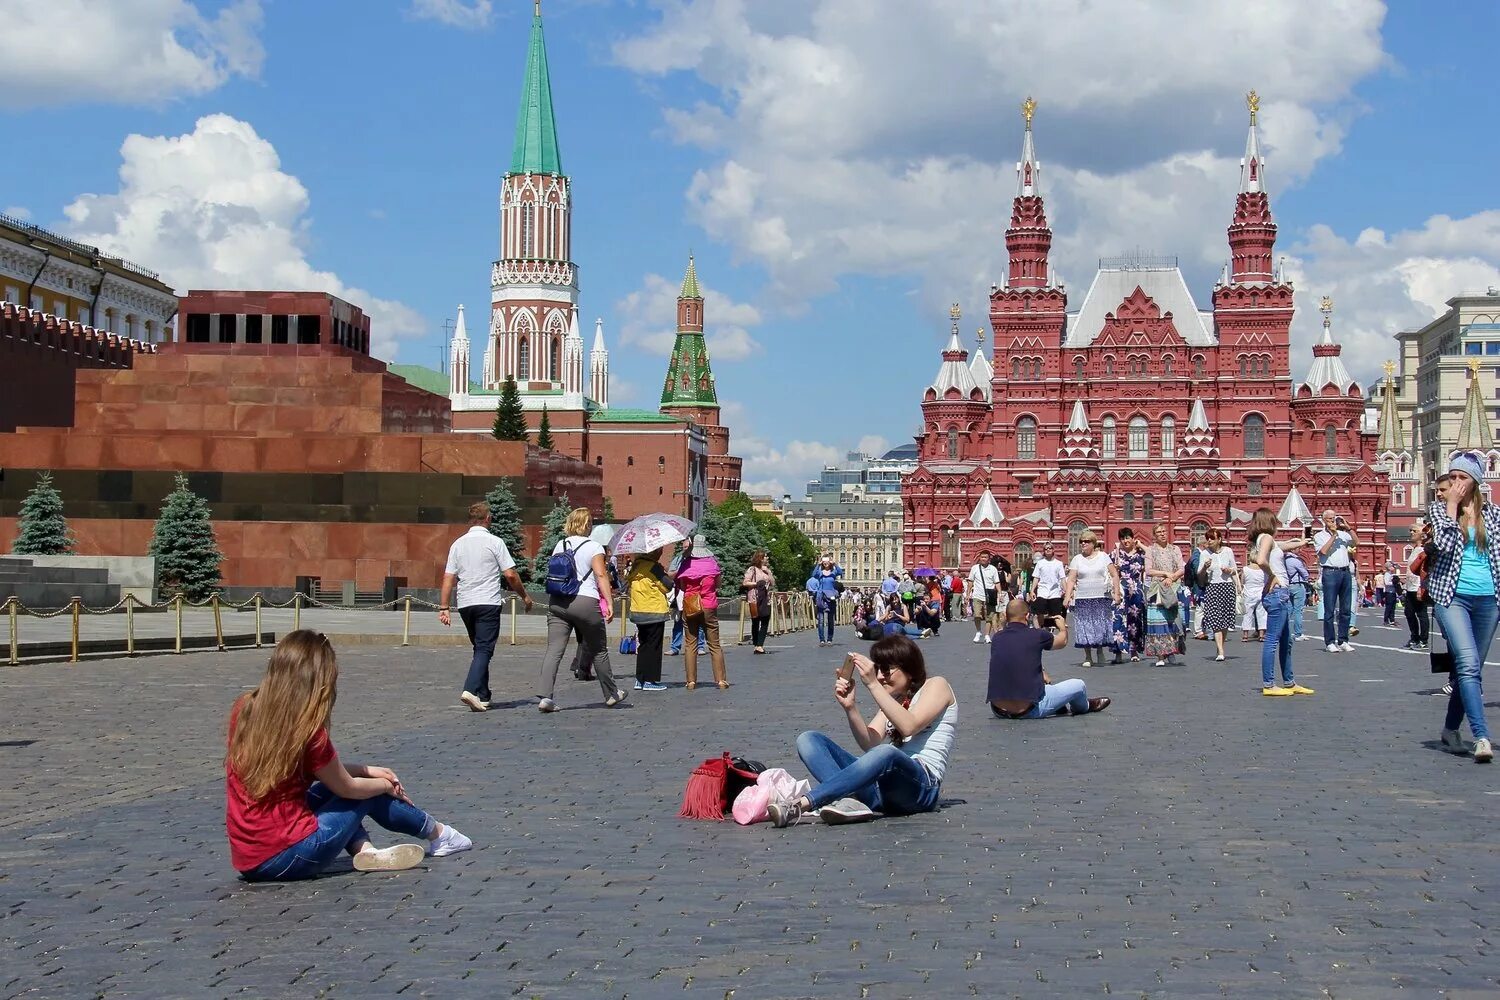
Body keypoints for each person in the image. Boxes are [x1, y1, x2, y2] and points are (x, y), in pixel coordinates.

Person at [226, 631, 472, 881]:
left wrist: (368, 770)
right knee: (365, 795)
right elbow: (348, 789)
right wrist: (384, 785)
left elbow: (319, 771)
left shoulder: (244, 708)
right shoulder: (308, 730)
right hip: (291, 855)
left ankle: (366, 852)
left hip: (249, 860)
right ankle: (439, 835)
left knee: (330, 790)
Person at [769, 635, 955, 828]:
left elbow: (909, 725)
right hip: (882, 788)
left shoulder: (936, 685)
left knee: (887, 752)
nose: (881, 676)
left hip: (921, 787)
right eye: (877, 669)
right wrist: (851, 708)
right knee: (808, 740)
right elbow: (870, 743)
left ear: (908, 667)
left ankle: (801, 804)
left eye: (886, 669)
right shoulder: (896, 699)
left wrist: (873, 684)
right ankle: (849, 802)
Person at [1428, 453, 1500, 763]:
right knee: (1469, 665)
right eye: (1452, 477)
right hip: (1452, 596)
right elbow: (1442, 545)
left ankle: (1449, 730)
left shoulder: (1494, 515)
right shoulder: (1440, 510)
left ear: (1476, 483)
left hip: (1488, 599)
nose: (1456, 483)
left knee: (1467, 671)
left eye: (1463, 478)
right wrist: (1452, 507)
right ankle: (1482, 736)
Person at [435, 502, 534, 713]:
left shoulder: (457, 544)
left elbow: (448, 577)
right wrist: (525, 596)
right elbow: (510, 574)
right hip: (488, 602)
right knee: (484, 648)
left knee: (480, 647)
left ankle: (484, 694)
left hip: (465, 604)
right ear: (488, 518)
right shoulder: (495, 542)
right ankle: (470, 689)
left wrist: (444, 607)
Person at [537, 507, 628, 712]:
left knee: (554, 649)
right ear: (587, 525)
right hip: (585, 601)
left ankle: (545, 697)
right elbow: (601, 575)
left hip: (558, 601)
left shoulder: (560, 545)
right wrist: (609, 602)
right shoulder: (594, 546)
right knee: (598, 649)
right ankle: (612, 694)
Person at [988, 598, 1111, 719]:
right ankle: (1083, 707)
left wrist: (1041, 671)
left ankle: (1057, 704)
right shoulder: (1037, 635)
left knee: (1044, 686)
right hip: (1028, 710)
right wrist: (1062, 628)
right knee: (1079, 685)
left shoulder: (997, 638)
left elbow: (1015, 658)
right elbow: (1062, 641)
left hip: (999, 710)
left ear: (1006, 615)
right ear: (1027, 616)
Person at [1248, 508, 1314, 697]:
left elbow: (1279, 547)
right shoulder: (1267, 537)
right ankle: (1269, 684)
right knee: (1272, 640)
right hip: (1277, 593)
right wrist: (1273, 575)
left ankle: (1289, 682)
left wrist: (1298, 543)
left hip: (1278, 594)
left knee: (1287, 640)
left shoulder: (1264, 539)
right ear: (1269, 522)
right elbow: (1261, 561)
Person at [678, 535, 729, 690]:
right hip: (708, 606)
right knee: (714, 644)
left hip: (690, 606)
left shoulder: (686, 564)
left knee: (690, 644)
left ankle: (691, 681)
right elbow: (718, 584)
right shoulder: (712, 564)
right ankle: (720, 680)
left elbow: (681, 586)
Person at [1064, 531, 1120, 668]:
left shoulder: (1103, 557)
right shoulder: (1077, 559)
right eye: (1081, 541)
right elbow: (1071, 579)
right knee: (1084, 626)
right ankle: (1088, 656)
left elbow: (1114, 575)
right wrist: (1067, 596)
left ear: (1093, 543)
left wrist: (1117, 593)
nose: (1083, 543)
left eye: (1087, 541)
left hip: (1101, 597)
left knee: (1099, 625)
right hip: (1083, 597)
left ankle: (1100, 652)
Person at [626, 547, 673, 691]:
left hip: (638, 610)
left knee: (644, 646)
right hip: (654, 611)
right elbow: (668, 586)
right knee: (654, 646)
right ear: (653, 553)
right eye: (659, 551)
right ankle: (650, 680)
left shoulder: (635, 567)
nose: (660, 554)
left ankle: (639, 679)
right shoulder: (654, 567)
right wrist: (663, 573)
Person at [1314, 508, 1356, 653]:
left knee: (1346, 609)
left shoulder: (1344, 535)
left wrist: (1348, 528)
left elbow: (1356, 542)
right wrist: (1334, 535)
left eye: (1335, 518)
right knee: (1329, 609)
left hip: (1345, 572)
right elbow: (1323, 551)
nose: (1333, 521)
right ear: (1324, 521)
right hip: (1330, 573)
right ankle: (1330, 642)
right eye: (1330, 519)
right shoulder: (1319, 536)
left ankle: (1343, 640)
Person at [1196, 528, 1240, 662]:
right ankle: (1220, 651)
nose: (1209, 540)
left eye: (1212, 538)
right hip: (1213, 588)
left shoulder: (1228, 551)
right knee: (1216, 620)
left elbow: (1235, 569)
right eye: (1207, 538)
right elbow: (1199, 575)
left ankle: (1220, 645)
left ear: (1219, 539)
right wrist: (1204, 567)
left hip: (1227, 587)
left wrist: (1229, 570)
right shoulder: (1204, 554)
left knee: (1225, 621)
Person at [1144, 523, 1184, 667]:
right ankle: (1160, 655)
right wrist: (1164, 574)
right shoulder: (1150, 551)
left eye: (1163, 531)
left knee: (1172, 622)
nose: (1162, 534)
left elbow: (1181, 568)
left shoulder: (1175, 549)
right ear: (1154, 536)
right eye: (1158, 532)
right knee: (1157, 622)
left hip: (1171, 589)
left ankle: (1171, 652)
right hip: (1156, 591)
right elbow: (1148, 570)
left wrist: (1171, 578)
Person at [1109, 528, 1147, 663]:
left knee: (1135, 622)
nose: (1125, 540)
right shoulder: (1115, 553)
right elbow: (1109, 570)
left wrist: (1140, 544)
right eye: (1123, 538)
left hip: (1136, 591)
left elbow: (1152, 555)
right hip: (1120, 589)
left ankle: (1134, 650)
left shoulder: (1140, 554)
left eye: (1128, 537)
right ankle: (1118, 652)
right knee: (1117, 619)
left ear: (1133, 538)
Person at [1403, 523, 1432, 650]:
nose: (1411, 533)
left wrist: (1422, 586)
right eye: (1410, 530)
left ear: (1422, 534)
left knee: (1421, 613)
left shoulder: (1425, 550)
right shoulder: (1416, 549)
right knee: (1408, 612)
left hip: (1418, 586)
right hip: (1410, 587)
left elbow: (1424, 570)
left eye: (1414, 530)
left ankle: (1423, 640)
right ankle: (1414, 637)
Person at [742, 550, 775, 654]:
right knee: (755, 621)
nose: (767, 558)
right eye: (765, 557)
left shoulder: (766, 570)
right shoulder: (752, 569)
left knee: (765, 620)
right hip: (755, 598)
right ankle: (756, 644)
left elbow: (772, 583)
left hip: (765, 598)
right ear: (760, 558)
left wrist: (768, 572)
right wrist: (757, 584)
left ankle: (760, 645)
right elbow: (745, 582)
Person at [1029, 541, 1067, 628]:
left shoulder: (1059, 563)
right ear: (1044, 551)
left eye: (1050, 548)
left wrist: (1066, 592)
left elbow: (1063, 579)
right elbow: (1036, 578)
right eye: (1046, 549)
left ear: (1053, 550)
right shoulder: (1040, 563)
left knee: (1056, 615)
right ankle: (1040, 631)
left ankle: (1060, 632)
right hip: (1042, 592)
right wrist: (1032, 591)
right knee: (1039, 613)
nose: (1048, 550)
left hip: (1055, 593)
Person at [809, 553, 844, 647]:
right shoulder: (820, 572)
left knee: (830, 619)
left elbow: (841, 572)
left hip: (831, 596)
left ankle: (829, 639)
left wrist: (835, 563)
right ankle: (821, 639)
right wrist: (818, 564)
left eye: (827, 560)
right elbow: (813, 574)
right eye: (824, 561)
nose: (826, 563)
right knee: (820, 620)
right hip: (821, 596)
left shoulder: (833, 573)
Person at [968, 551, 1001, 644]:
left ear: (989, 559)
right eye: (982, 557)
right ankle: (978, 632)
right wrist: (967, 594)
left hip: (990, 595)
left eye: (985, 557)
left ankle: (987, 635)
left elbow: (997, 582)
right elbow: (970, 581)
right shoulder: (974, 568)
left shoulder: (993, 569)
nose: (983, 559)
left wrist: (1000, 593)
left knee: (989, 617)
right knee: (977, 615)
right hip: (977, 595)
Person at [1284, 543, 1311, 642]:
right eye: (1297, 548)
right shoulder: (1295, 561)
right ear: (1292, 550)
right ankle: (1298, 633)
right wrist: (1307, 578)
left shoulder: (1284, 560)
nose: (1299, 550)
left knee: (1288, 610)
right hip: (1298, 585)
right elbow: (1304, 573)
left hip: (1288, 586)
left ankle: (1283, 631)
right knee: (1298, 610)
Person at [1240, 561, 1266, 641]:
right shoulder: (1263, 569)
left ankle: (1245, 635)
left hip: (1249, 593)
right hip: (1260, 592)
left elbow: (1242, 581)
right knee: (1262, 614)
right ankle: (1261, 635)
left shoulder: (1245, 569)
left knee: (1247, 614)